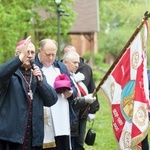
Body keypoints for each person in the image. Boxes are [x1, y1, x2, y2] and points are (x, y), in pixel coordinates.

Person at [0, 36, 58, 150]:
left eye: (32, 52)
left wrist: (41, 83)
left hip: (33, 136)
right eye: (26, 52)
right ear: (17, 54)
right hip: (11, 135)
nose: (30, 55)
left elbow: (52, 99)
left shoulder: (37, 73)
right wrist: (19, 60)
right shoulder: (10, 73)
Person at [35, 39, 77, 150]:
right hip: (43, 117)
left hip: (62, 117)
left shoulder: (60, 67)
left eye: (53, 54)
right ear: (39, 51)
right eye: (48, 54)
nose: (51, 58)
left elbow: (73, 86)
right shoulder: (34, 67)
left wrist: (71, 92)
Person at [62, 45, 100, 150]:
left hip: (83, 111)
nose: (76, 64)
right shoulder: (59, 68)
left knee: (79, 141)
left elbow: (92, 88)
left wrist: (93, 109)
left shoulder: (86, 68)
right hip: (69, 112)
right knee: (69, 142)